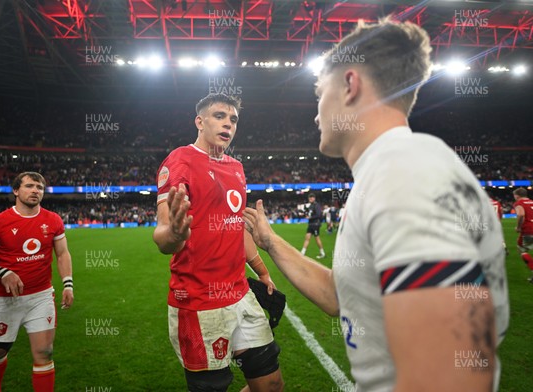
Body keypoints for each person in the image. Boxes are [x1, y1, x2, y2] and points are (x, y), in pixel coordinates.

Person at [243, 17, 509, 391]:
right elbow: (342, 295)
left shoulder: (403, 174)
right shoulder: (389, 172)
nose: (316, 112)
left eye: (320, 92)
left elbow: (453, 374)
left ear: (350, 85)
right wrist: (271, 242)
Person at [153, 93, 284, 392]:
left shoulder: (236, 168)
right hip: (199, 303)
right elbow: (163, 236)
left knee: (272, 385)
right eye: (219, 116)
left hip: (241, 295)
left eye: (233, 119)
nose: (228, 124)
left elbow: (236, 228)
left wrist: (261, 271)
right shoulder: (180, 160)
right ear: (199, 121)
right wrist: (175, 233)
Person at [0, 172, 74, 392]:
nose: (36, 191)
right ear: (16, 191)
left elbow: (62, 254)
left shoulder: (53, 220)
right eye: (30, 186)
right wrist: (3, 272)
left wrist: (68, 284)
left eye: (40, 187)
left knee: (44, 353)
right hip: (5, 300)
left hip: (41, 296)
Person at [512, 187, 533, 282]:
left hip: (528, 229)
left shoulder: (519, 203)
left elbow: (521, 214)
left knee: (522, 250)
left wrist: (518, 227)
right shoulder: (532, 202)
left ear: (517, 195)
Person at [300, 193, 326, 258]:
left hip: (315, 224)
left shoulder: (316, 205)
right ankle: (302, 253)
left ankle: (322, 253)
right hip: (311, 224)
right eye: (309, 198)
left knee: (317, 239)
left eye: (312, 197)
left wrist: (310, 217)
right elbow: (309, 214)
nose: (310, 199)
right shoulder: (311, 206)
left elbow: (318, 214)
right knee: (307, 238)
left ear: (314, 198)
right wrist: (304, 213)